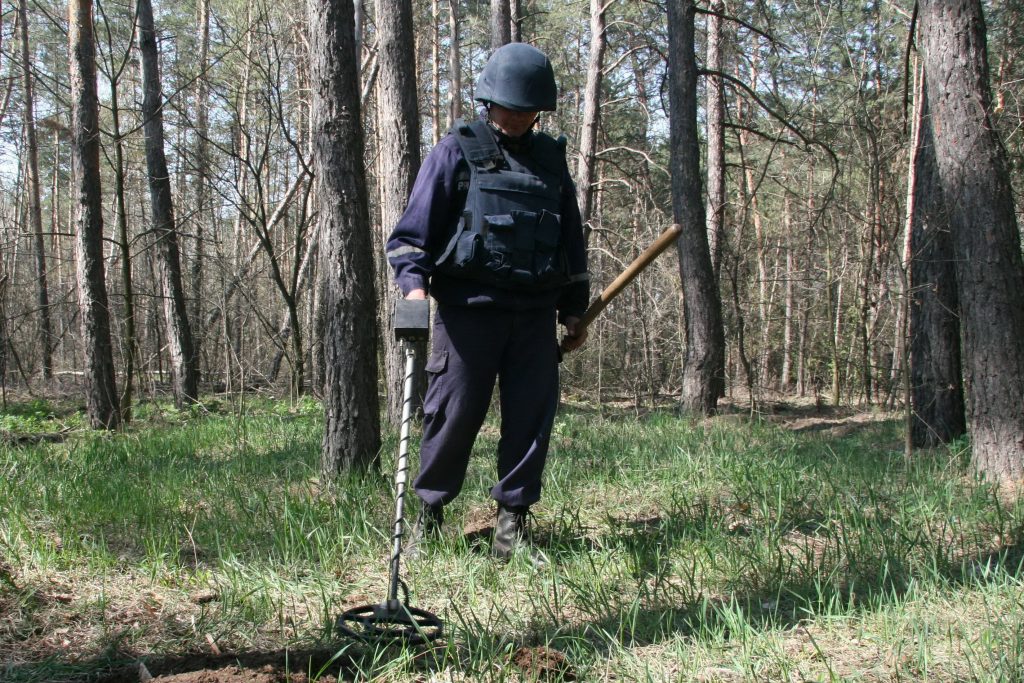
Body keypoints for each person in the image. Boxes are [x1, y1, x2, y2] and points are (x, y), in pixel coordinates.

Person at [385, 42, 590, 562]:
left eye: (528, 110)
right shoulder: (455, 152)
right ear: (488, 101)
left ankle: (511, 529)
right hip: (467, 313)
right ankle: (428, 519)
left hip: (534, 316)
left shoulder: (550, 163)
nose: (518, 118)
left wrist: (574, 308)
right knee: (451, 417)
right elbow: (412, 237)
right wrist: (414, 288)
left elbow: (570, 240)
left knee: (529, 421)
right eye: (509, 107)